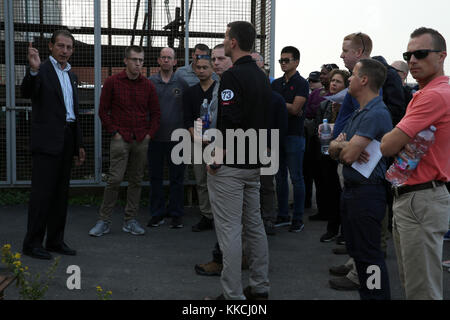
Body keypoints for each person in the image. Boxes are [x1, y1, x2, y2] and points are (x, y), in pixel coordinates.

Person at [380, 27, 450, 300]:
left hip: (420, 198)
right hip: (418, 195)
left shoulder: (434, 95)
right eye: (408, 54)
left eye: (420, 53)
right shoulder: (431, 92)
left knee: (421, 290)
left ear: (442, 56)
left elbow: (387, 145)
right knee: (414, 284)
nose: (412, 60)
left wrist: (392, 136)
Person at [206, 21, 270, 300]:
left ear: (233, 42)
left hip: (231, 166)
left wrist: (220, 154)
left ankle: (233, 296)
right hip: (253, 163)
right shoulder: (261, 76)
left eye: (225, 37)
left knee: (230, 230)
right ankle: (260, 287)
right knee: (254, 226)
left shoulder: (233, 76)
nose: (224, 40)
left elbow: (231, 120)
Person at [329, 59, 392, 300]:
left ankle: (376, 296)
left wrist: (341, 146)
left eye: (353, 75)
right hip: (354, 192)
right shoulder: (360, 111)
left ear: (364, 80)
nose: (349, 79)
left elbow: (347, 155)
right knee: (359, 252)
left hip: (367, 193)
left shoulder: (375, 113)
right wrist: (341, 146)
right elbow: (337, 149)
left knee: (370, 256)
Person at [21, 30, 85, 260]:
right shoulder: (42, 70)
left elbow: (73, 113)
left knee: (61, 194)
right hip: (47, 141)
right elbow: (26, 92)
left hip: (67, 139)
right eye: (60, 46)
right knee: (42, 195)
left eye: (68, 47)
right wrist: (34, 70)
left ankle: (55, 241)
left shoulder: (72, 76)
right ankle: (32, 243)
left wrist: (78, 144)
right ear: (50, 47)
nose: (64, 51)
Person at [89, 45, 160, 237]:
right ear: (126, 61)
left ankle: (130, 220)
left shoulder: (147, 85)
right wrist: (115, 132)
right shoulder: (112, 82)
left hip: (140, 138)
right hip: (120, 137)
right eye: (135, 60)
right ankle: (103, 221)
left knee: (136, 180)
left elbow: (155, 113)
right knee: (115, 179)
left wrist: (149, 135)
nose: (138, 64)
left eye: (141, 60)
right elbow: (103, 111)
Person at [194, 44, 232, 277]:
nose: (216, 62)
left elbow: (231, 123)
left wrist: (219, 154)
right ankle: (240, 259)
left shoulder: (231, 86)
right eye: (213, 59)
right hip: (222, 151)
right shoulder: (220, 85)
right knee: (236, 217)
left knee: (226, 216)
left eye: (221, 58)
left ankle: (224, 262)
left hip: (228, 158)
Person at [148, 47, 189, 229]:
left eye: (169, 58)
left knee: (177, 179)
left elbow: (188, 110)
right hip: (155, 139)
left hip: (177, 139)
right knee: (155, 178)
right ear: (158, 61)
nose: (166, 60)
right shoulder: (150, 83)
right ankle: (157, 214)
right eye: (163, 57)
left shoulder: (181, 83)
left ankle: (176, 214)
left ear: (175, 62)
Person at [272, 46, 309, 232]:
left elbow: (295, 110)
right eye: (281, 60)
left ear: (296, 62)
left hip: (294, 135)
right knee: (279, 178)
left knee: (296, 178)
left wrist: (278, 103)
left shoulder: (302, 83)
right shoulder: (276, 83)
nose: (283, 63)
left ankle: (298, 218)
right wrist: (286, 105)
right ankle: (283, 215)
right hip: (278, 135)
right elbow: (273, 106)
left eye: (286, 60)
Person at [183, 53, 218, 232]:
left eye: (205, 67)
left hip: (217, 143)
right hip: (197, 142)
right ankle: (207, 215)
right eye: (199, 67)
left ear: (212, 69)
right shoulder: (191, 92)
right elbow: (187, 118)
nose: (202, 70)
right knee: (201, 181)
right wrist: (195, 136)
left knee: (218, 180)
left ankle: (220, 216)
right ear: (194, 69)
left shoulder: (219, 90)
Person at [315, 69, 350, 237]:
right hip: (327, 153)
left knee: (343, 194)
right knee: (331, 191)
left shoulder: (350, 104)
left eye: (338, 81)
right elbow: (319, 129)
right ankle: (332, 227)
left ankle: (344, 231)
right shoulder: (324, 104)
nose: (334, 84)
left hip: (344, 154)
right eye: (332, 81)